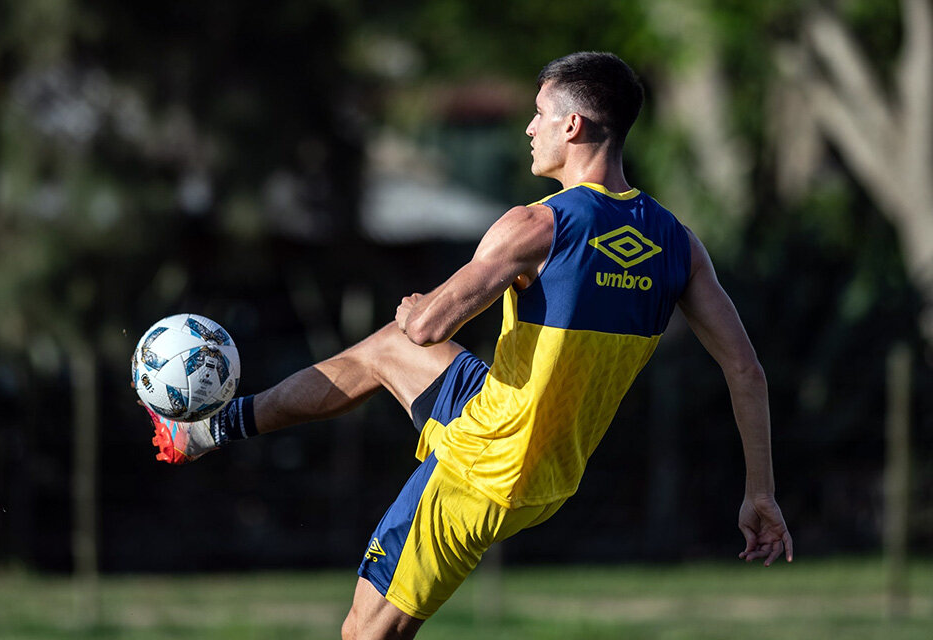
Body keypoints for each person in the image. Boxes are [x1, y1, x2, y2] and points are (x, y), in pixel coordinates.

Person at [143, 51, 793, 640]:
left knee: (365, 635)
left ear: (572, 128)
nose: (529, 129)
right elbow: (748, 371)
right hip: (548, 465)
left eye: (539, 115)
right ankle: (203, 432)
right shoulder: (679, 244)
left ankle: (202, 433)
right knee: (380, 350)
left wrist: (417, 307)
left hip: (483, 466)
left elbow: (428, 325)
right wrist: (758, 494)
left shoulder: (536, 225)